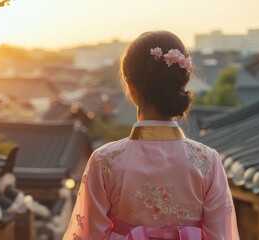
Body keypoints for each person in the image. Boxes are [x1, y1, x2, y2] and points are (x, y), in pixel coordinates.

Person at [63, 31, 239, 240]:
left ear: (130, 86)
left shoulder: (104, 161)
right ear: (181, 83)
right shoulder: (207, 161)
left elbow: (89, 235)